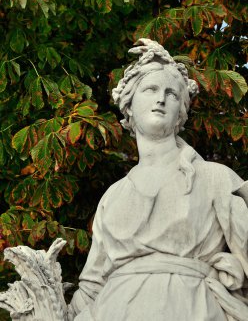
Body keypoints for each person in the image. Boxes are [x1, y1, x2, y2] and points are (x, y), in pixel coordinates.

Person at [69, 39, 248, 321]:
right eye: (150, 89)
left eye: (172, 93)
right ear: (129, 104)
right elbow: (91, 287)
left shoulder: (215, 179)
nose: (161, 98)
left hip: (190, 308)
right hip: (113, 312)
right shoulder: (113, 197)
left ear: (181, 112)